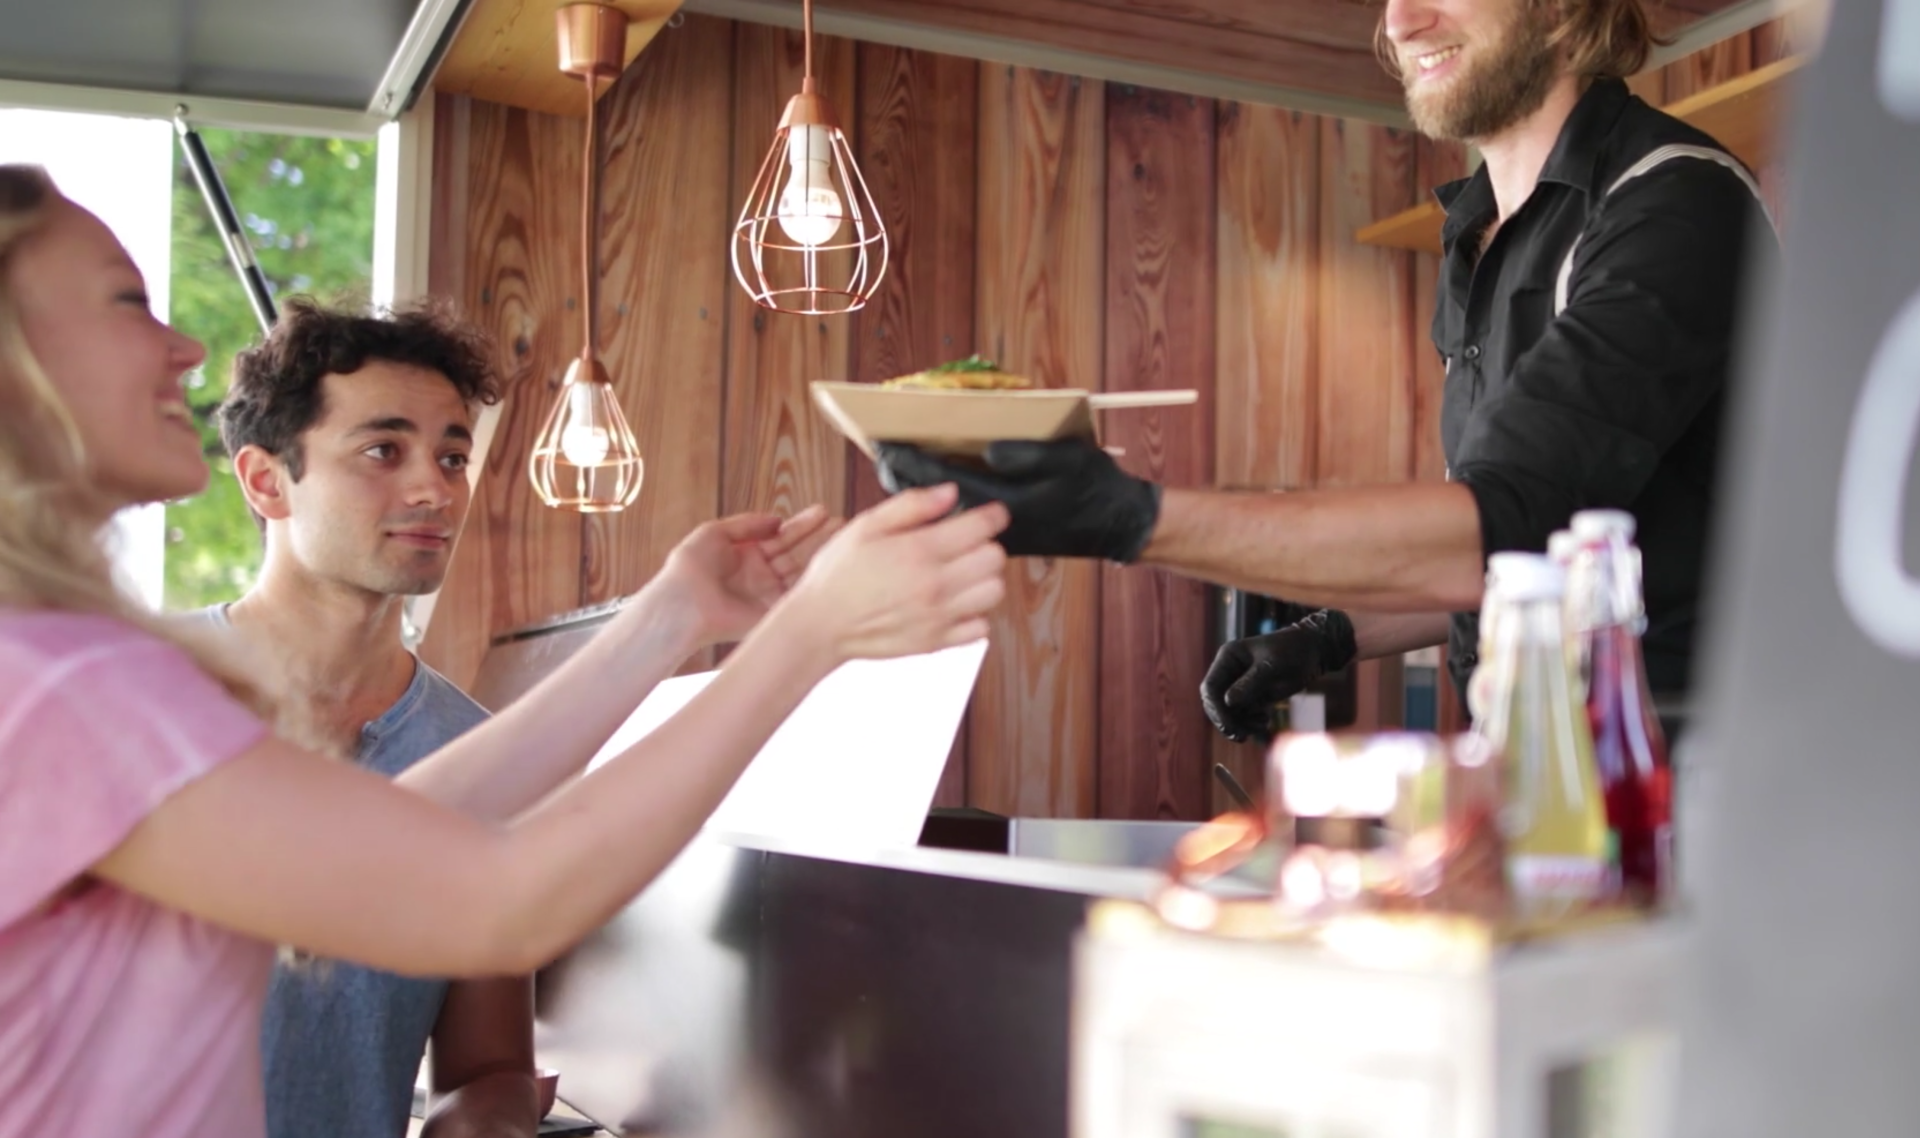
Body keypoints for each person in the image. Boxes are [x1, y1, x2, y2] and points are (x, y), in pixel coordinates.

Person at [0, 162, 1010, 1138]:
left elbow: (372, 849)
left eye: (449, 453)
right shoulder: (70, 687)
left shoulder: (51, 670)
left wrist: (674, 614)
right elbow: (496, 899)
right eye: (127, 303)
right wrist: (808, 636)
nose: (183, 344)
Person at [877, 0, 1773, 742]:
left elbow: (1499, 522)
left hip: (1694, 777)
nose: (1401, 20)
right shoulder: (1478, 239)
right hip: (1537, 767)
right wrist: (1328, 636)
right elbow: (1509, 555)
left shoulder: (1673, 201)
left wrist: (1128, 516)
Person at [204, 299, 822, 1138]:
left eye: (452, 456)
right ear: (266, 480)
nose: (434, 488)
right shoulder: (141, 697)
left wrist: (491, 1121)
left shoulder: (474, 746)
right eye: (383, 451)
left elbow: (487, 1068)